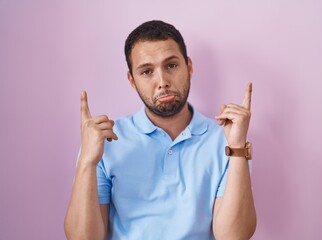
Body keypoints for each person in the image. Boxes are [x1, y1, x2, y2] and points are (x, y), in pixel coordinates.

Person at [64, 20, 256, 240]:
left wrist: (238, 148)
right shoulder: (104, 142)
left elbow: (233, 237)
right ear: (132, 81)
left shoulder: (227, 140)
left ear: (189, 66)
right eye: (146, 71)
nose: (162, 81)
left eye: (171, 66)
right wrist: (87, 162)